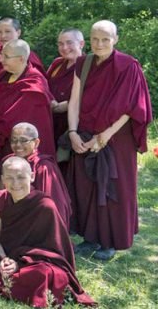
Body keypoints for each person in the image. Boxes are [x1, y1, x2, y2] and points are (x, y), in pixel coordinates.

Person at [0, 157, 95, 307]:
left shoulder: (45, 205)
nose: (15, 183)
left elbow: (53, 251)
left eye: (20, 177)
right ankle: (11, 284)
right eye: (9, 178)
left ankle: (0, 282)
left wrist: (18, 264)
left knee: (46, 273)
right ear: (3, 179)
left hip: (31, 262)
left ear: (31, 176)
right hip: (2, 256)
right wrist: (4, 259)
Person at [66, 20, 152, 260]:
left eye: (105, 39)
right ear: (88, 40)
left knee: (113, 186)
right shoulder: (83, 64)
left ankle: (111, 241)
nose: (99, 44)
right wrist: (72, 132)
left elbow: (132, 106)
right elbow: (74, 101)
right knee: (86, 185)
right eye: (95, 39)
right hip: (84, 132)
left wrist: (106, 134)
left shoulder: (128, 66)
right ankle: (89, 237)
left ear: (116, 39)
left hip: (116, 138)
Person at [0, 40, 54, 159]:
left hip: (24, 142)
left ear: (21, 59)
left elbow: (22, 112)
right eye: (1, 55)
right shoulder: (3, 75)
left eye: (6, 57)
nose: (1, 60)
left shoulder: (34, 81)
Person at [5, 123, 71, 226]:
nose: (18, 145)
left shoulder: (43, 166)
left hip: (37, 221)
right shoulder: (8, 162)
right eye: (14, 140)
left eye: (23, 140)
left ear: (36, 143)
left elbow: (53, 204)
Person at [46, 28, 84, 141]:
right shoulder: (57, 63)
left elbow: (91, 95)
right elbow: (44, 85)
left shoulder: (88, 66)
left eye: (69, 43)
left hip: (73, 123)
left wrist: (67, 105)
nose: (64, 48)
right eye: (61, 44)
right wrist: (50, 100)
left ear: (81, 44)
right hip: (51, 119)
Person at [0, 17, 46, 83]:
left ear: (18, 32)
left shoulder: (27, 56)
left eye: (7, 31)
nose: (3, 36)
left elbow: (36, 82)